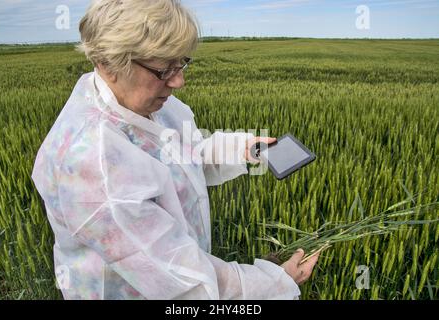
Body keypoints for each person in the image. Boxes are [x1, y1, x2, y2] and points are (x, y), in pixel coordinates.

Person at [32, 0, 319, 300]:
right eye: (163, 69)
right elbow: (187, 282)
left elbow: (184, 152)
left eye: (181, 63)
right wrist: (276, 282)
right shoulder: (93, 166)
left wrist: (245, 149)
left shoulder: (144, 105)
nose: (179, 81)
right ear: (108, 63)